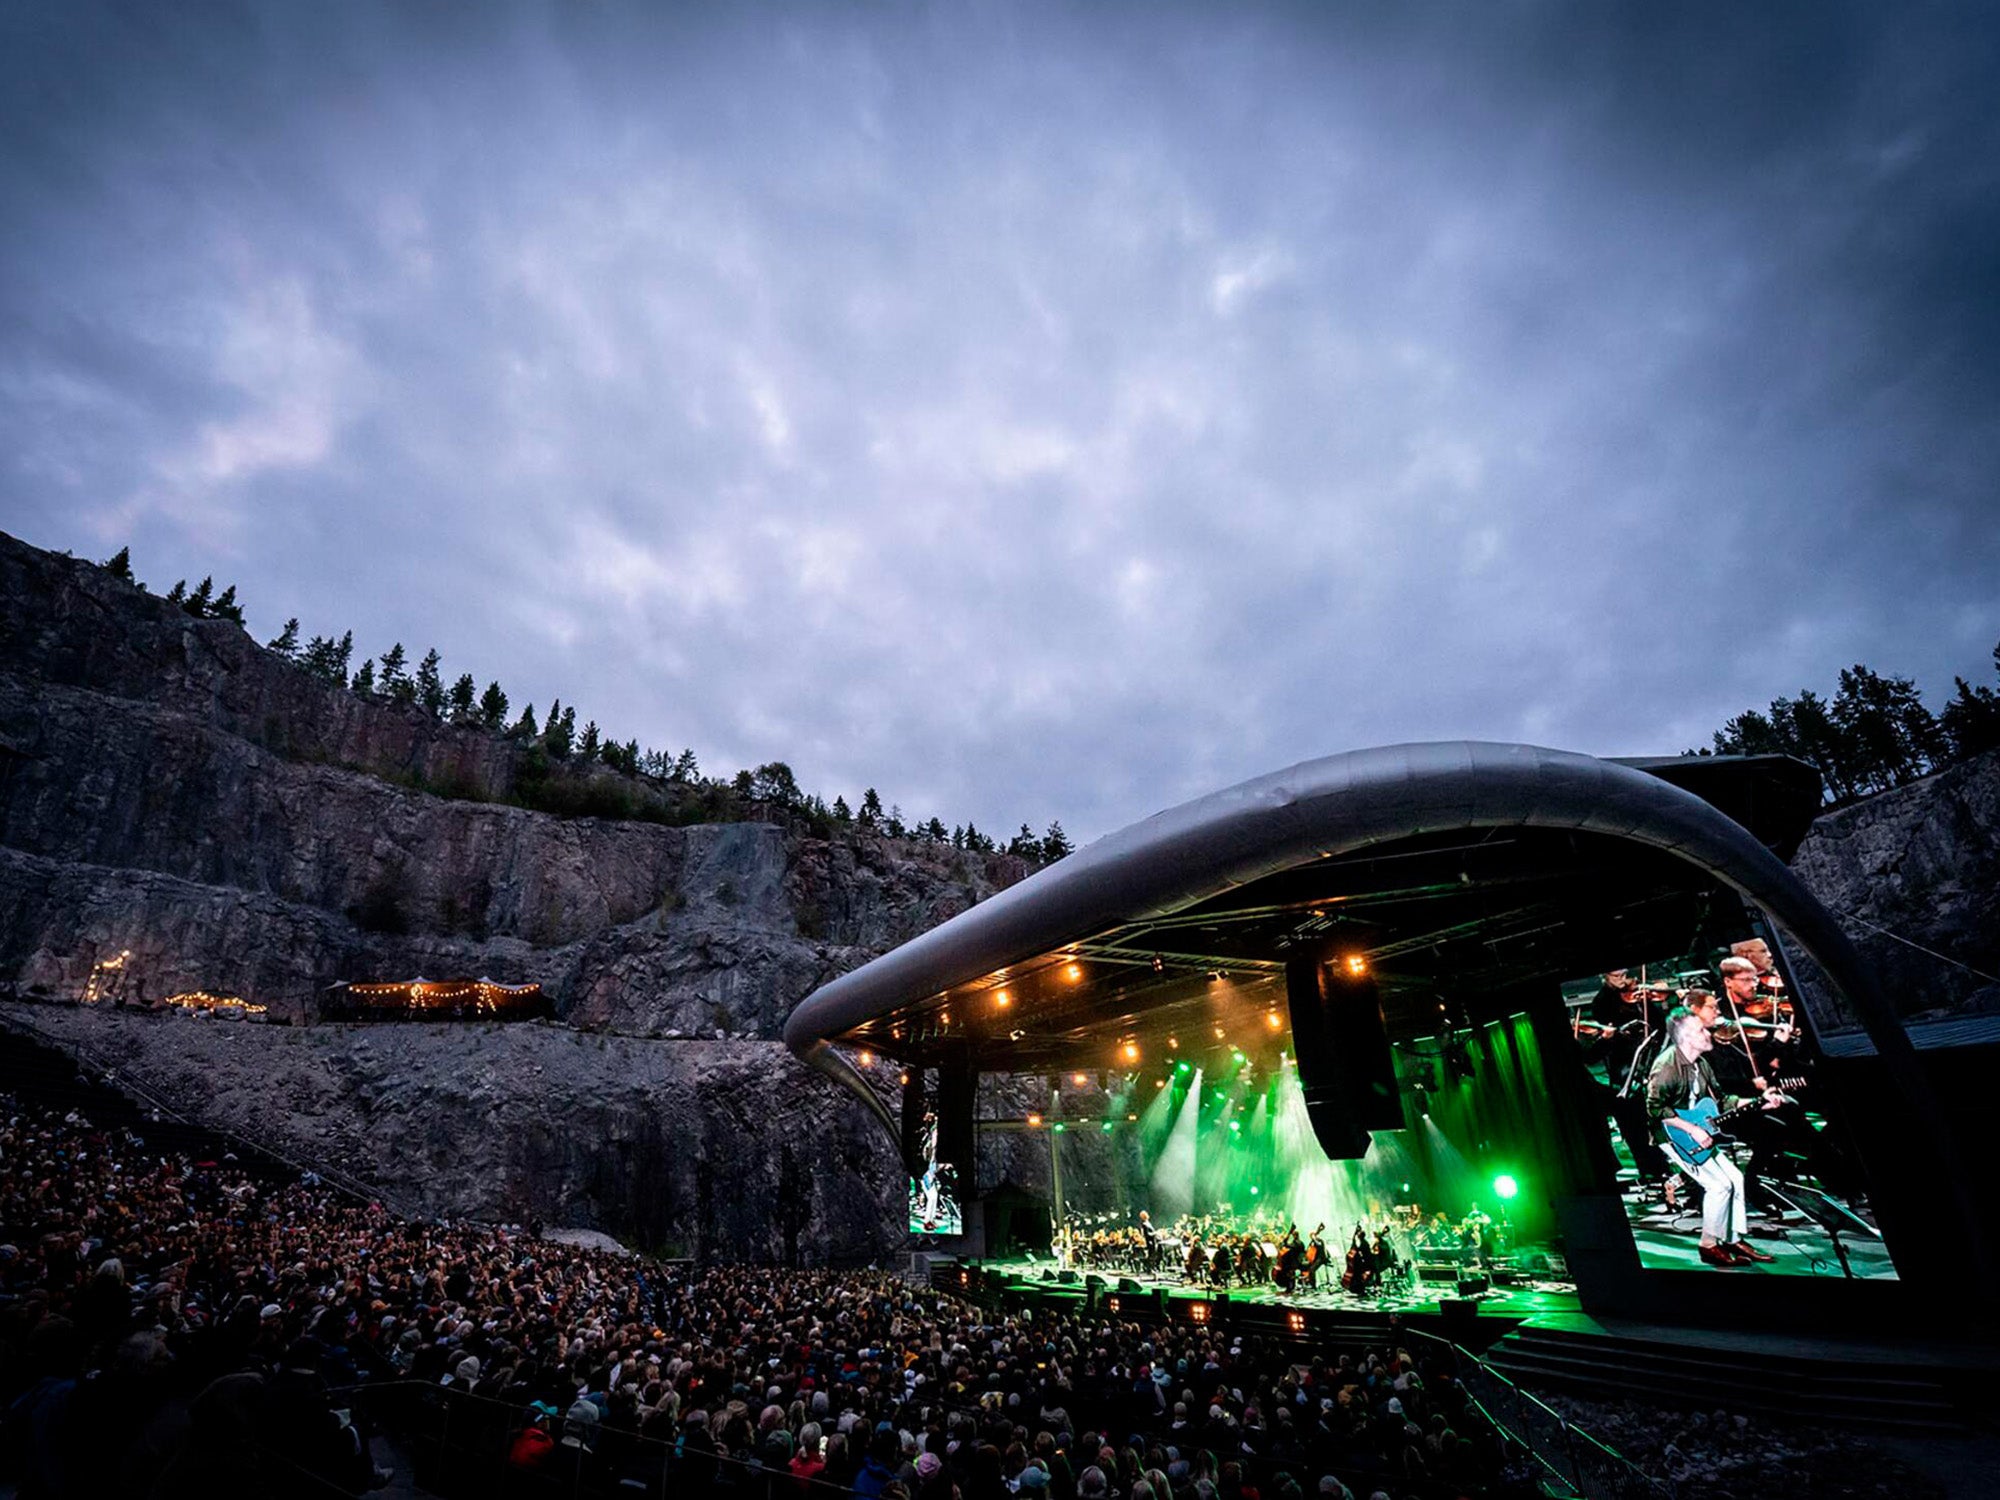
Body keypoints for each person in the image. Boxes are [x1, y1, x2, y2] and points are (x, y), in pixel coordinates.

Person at [1645, 1007, 1781, 1267]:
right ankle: (1708, 1245)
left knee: (1735, 1178)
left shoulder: (1701, 1064)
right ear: (1685, 1037)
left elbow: (1720, 1101)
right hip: (1673, 1136)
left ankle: (1733, 1238)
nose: (1707, 1034)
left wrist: (1757, 1103)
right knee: (1718, 1186)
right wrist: (1692, 1129)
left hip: (1697, 1130)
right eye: (1701, 1030)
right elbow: (1654, 1109)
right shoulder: (1666, 1067)